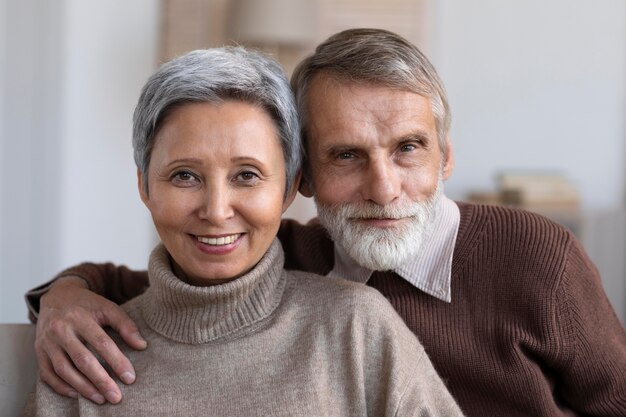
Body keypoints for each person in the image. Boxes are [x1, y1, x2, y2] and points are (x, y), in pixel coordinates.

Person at [27, 28, 626, 416]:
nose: (384, 188)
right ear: (301, 181)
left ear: (446, 156)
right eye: (346, 155)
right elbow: (173, 302)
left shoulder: (535, 255)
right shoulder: (280, 254)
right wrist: (65, 295)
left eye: (409, 148)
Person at [23, 46, 464, 416]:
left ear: (291, 188)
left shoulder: (356, 327)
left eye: (247, 176)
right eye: (184, 176)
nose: (216, 211)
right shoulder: (82, 356)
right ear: (144, 185)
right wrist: (61, 293)